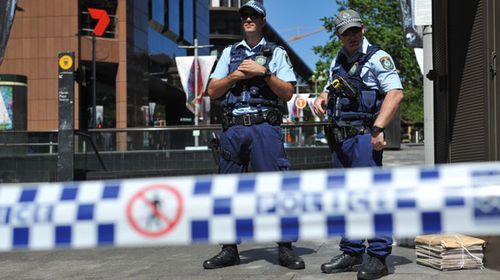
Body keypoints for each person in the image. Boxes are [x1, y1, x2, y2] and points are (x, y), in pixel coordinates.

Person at [203, 0, 304, 270]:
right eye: (245, 15)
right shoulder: (229, 53)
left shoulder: (276, 52)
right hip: (234, 127)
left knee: (277, 188)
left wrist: (265, 73)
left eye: (254, 15)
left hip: (264, 126)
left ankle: (285, 248)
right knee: (227, 189)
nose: (248, 19)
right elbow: (212, 91)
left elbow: (287, 92)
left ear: (262, 20)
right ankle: (229, 248)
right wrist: (234, 76)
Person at [313, 9, 404, 280]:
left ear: (362, 29)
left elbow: (396, 94)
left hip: (364, 136)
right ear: (339, 35)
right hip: (340, 138)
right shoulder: (338, 59)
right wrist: (322, 96)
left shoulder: (378, 57)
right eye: (345, 32)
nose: (351, 36)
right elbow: (332, 87)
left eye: (355, 30)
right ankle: (352, 252)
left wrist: (378, 128)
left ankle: (378, 256)